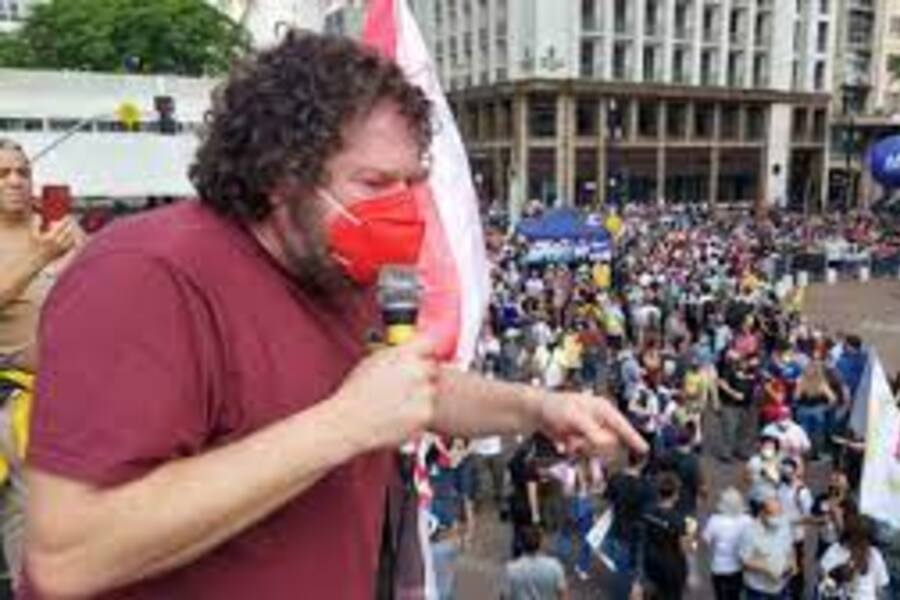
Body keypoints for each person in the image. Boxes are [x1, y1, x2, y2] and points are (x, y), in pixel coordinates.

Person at [23, 34, 647, 599]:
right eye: (376, 182)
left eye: (412, 183)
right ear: (280, 177)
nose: (402, 210)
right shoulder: (145, 276)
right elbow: (68, 555)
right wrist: (341, 426)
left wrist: (537, 407)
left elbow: (404, 389)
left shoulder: (333, 267)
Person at [0, 138, 82, 588]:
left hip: (67, 402)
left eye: (22, 171)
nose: (15, 180)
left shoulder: (56, 231)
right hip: (11, 409)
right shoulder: (40, 246)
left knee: (55, 534)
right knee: (25, 528)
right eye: (2, 173)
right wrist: (39, 259)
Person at [602, 451, 656, 599]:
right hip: (639, 529)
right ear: (643, 462)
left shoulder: (616, 478)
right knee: (638, 563)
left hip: (619, 525)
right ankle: (634, 589)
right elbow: (651, 510)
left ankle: (621, 592)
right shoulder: (647, 485)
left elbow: (608, 499)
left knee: (621, 564)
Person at [641, 473, 692, 600]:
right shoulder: (679, 521)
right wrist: (691, 536)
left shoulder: (647, 510)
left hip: (650, 559)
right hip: (671, 566)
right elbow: (685, 548)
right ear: (675, 495)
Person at [738, 489, 796, 599]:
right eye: (772, 515)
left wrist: (792, 562)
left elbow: (790, 547)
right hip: (759, 591)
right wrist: (766, 568)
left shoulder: (784, 524)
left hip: (782, 588)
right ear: (762, 513)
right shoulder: (749, 532)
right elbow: (744, 560)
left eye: (779, 514)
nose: (776, 519)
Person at [819, 515, 890, 600]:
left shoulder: (874, 554)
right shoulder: (835, 552)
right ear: (851, 537)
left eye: (867, 540)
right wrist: (838, 577)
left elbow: (880, 588)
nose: (864, 545)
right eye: (860, 539)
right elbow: (824, 589)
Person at [703, 488, 754, 600]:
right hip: (738, 567)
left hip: (718, 567)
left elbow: (706, 540)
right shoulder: (746, 520)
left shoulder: (715, 520)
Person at [776, 457, 813, 600]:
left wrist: (792, 521)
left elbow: (809, 516)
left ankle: (797, 594)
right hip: (780, 535)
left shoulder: (801, 491)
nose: (785, 474)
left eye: (788, 471)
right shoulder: (780, 487)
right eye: (783, 471)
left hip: (796, 537)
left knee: (797, 569)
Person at [502, 525, 568, 600]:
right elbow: (562, 595)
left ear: (520, 544)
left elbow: (505, 596)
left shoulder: (511, 569)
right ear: (541, 543)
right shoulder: (555, 566)